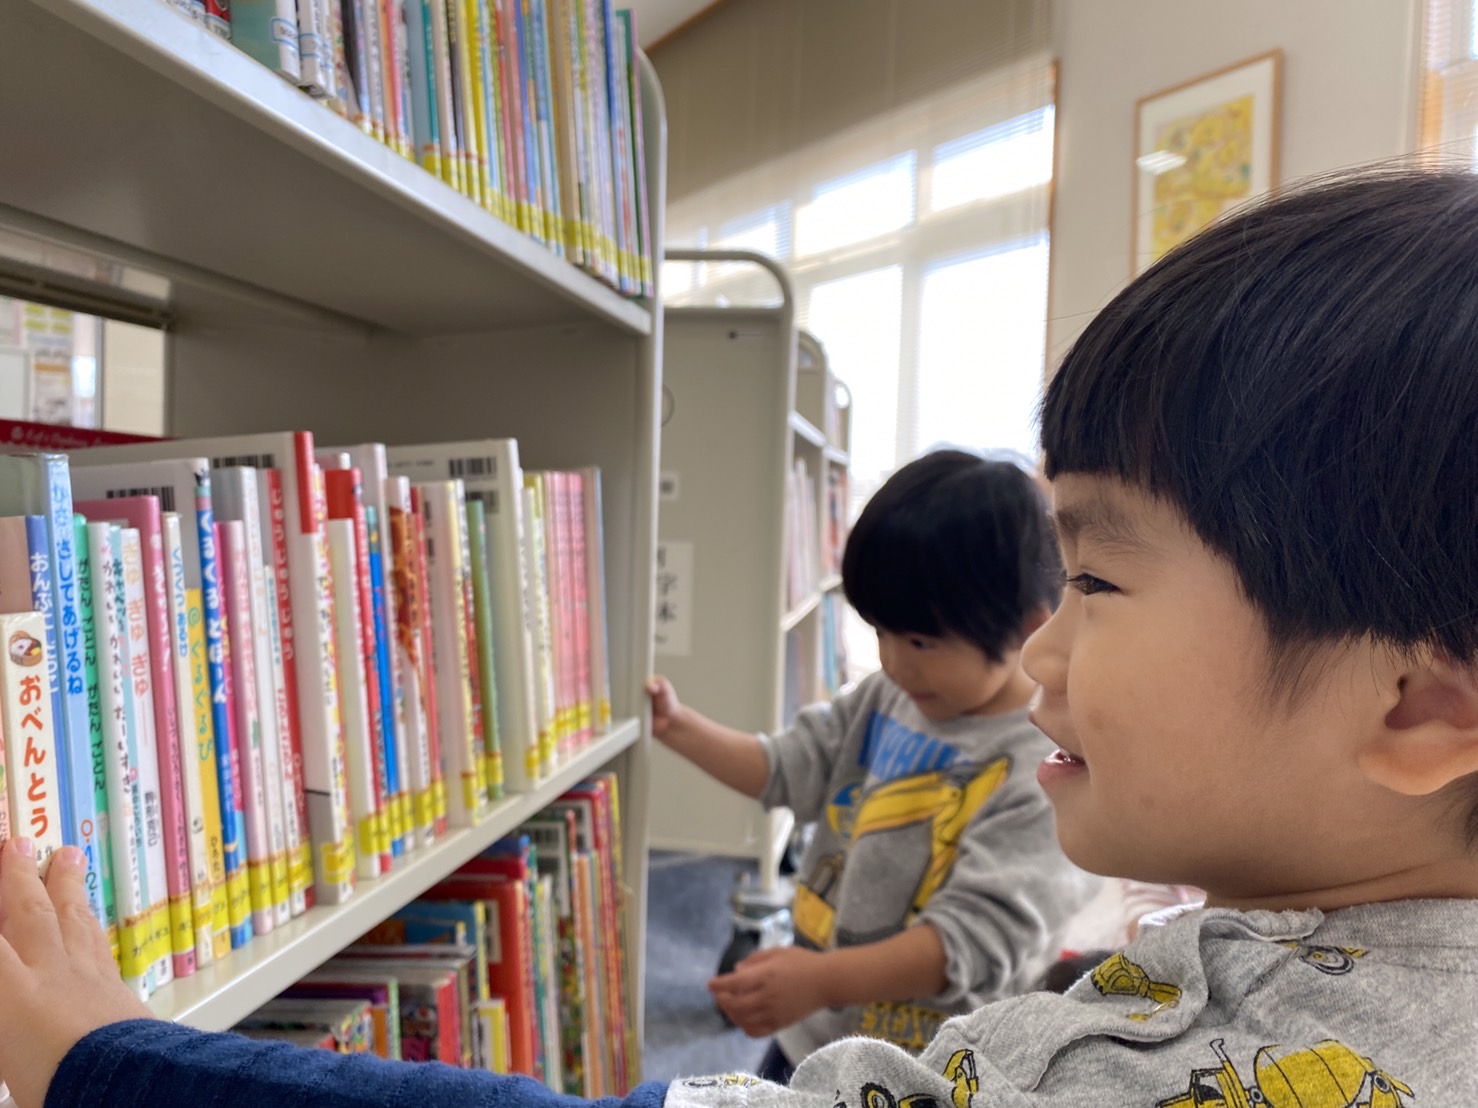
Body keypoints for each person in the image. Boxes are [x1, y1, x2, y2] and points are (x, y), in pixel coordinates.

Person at [5, 167, 1478, 1107]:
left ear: (1413, 707)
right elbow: (782, 765)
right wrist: (664, 724)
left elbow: (962, 952)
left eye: (1093, 583)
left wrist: (113, 1064)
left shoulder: (1162, 1022)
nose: (1042, 660)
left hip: (882, 1007)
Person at [646, 450, 1099, 1081]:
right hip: (817, 1032)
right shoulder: (889, 697)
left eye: (919, 641)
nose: (893, 662)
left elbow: (972, 943)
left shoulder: (1042, 763)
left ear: (1028, 629)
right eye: (880, 632)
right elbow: (786, 768)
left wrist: (821, 980)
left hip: (929, 1066)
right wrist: (678, 727)